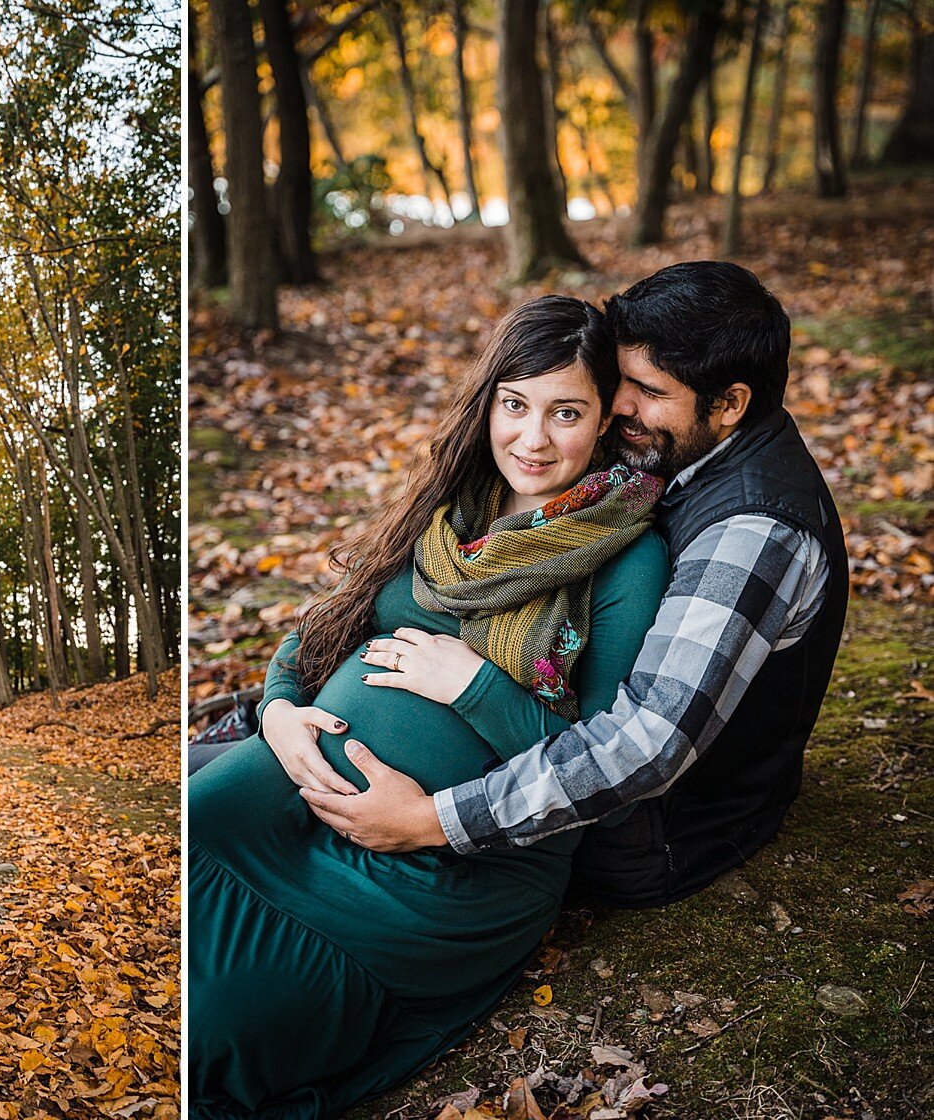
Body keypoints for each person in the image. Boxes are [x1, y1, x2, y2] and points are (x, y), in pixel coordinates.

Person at [189, 296, 672, 1118]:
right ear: (487, 404)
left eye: (566, 413)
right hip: (288, 793)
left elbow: (593, 762)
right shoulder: (448, 507)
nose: (533, 437)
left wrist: (472, 685)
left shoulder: (627, 553)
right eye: (515, 405)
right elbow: (316, 633)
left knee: (220, 1030)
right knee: (183, 835)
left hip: (441, 868)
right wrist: (277, 713)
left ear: (602, 425)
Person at [305, 262, 849, 909]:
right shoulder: (668, 453)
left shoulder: (754, 530)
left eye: (646, 390)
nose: (620, 406)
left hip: (652, 837)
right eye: (621, 382)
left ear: (729, 403)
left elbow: (644, 748)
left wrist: (430, 821)